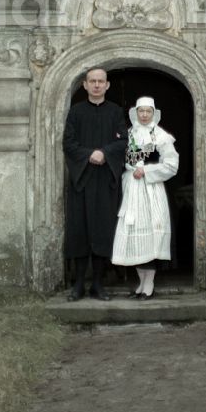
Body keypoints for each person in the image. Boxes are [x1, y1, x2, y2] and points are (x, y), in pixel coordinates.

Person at [62, 67, 128, 301]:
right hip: (82, 180)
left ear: (107, 85)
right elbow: (68, 143)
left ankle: (98, 285)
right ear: (85, 85)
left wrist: (105, 152)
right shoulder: (76, 112)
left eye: (101, 81)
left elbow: (124, 143)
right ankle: (79, 284)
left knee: (103, 231)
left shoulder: (116, 112)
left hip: (106, 182)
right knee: (80, 231)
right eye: (93, 81)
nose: (97, 85)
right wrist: (90, 155)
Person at [112, 96, 178, 300]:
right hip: (131, 189)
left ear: (153, 113)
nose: (144, 115)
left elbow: (171, 165)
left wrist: (147, 171)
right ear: (135, 113)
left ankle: (149, 284)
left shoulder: (161, 136)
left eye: (148, 111)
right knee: (134, 236)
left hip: (151, 191)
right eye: (141, 111)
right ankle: (140, 284)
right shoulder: (128, 134)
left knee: (151, 236)